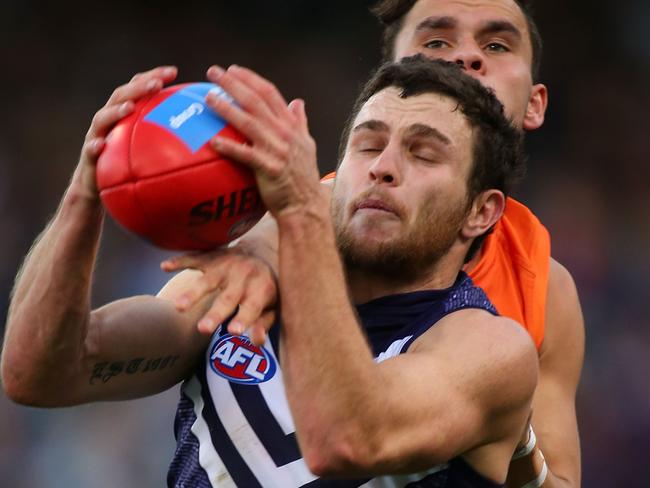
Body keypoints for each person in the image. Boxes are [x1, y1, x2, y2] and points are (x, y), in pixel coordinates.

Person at [2, 57, 538, 486]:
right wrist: (88, 190)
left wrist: (301, 214)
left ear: (481, 211)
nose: (383, 166)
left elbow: (345, 440)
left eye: (423, 155)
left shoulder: (489, 350)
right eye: (368, 145)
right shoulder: (239, 289)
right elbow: (39, 374)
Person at [160, 1, 584, 486]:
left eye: (495, 44)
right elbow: (126, 342)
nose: (466, 57)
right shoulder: (298, 217)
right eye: (436, 42)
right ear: (396, 76)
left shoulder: (543, 283)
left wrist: (507, 435)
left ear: (535, 102)